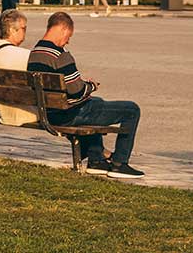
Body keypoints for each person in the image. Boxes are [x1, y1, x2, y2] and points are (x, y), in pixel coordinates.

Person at [27, 11, 143, 177]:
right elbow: (77, 92)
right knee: (131, 110)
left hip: (49, 113)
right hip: (68, 115)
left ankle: (97, 160)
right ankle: (120, 163)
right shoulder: (60, 55)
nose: (68, 41)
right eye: (68, 36)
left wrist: (85, 90)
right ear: (63, 29)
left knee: (96, 103)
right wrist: (91, 86)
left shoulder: (35, 53)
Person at [0, 9, 36, 126]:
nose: (25, 32)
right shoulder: (25, 55)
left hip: (6, 113)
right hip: (28, 113)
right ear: (11, 30)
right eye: (23, 28)